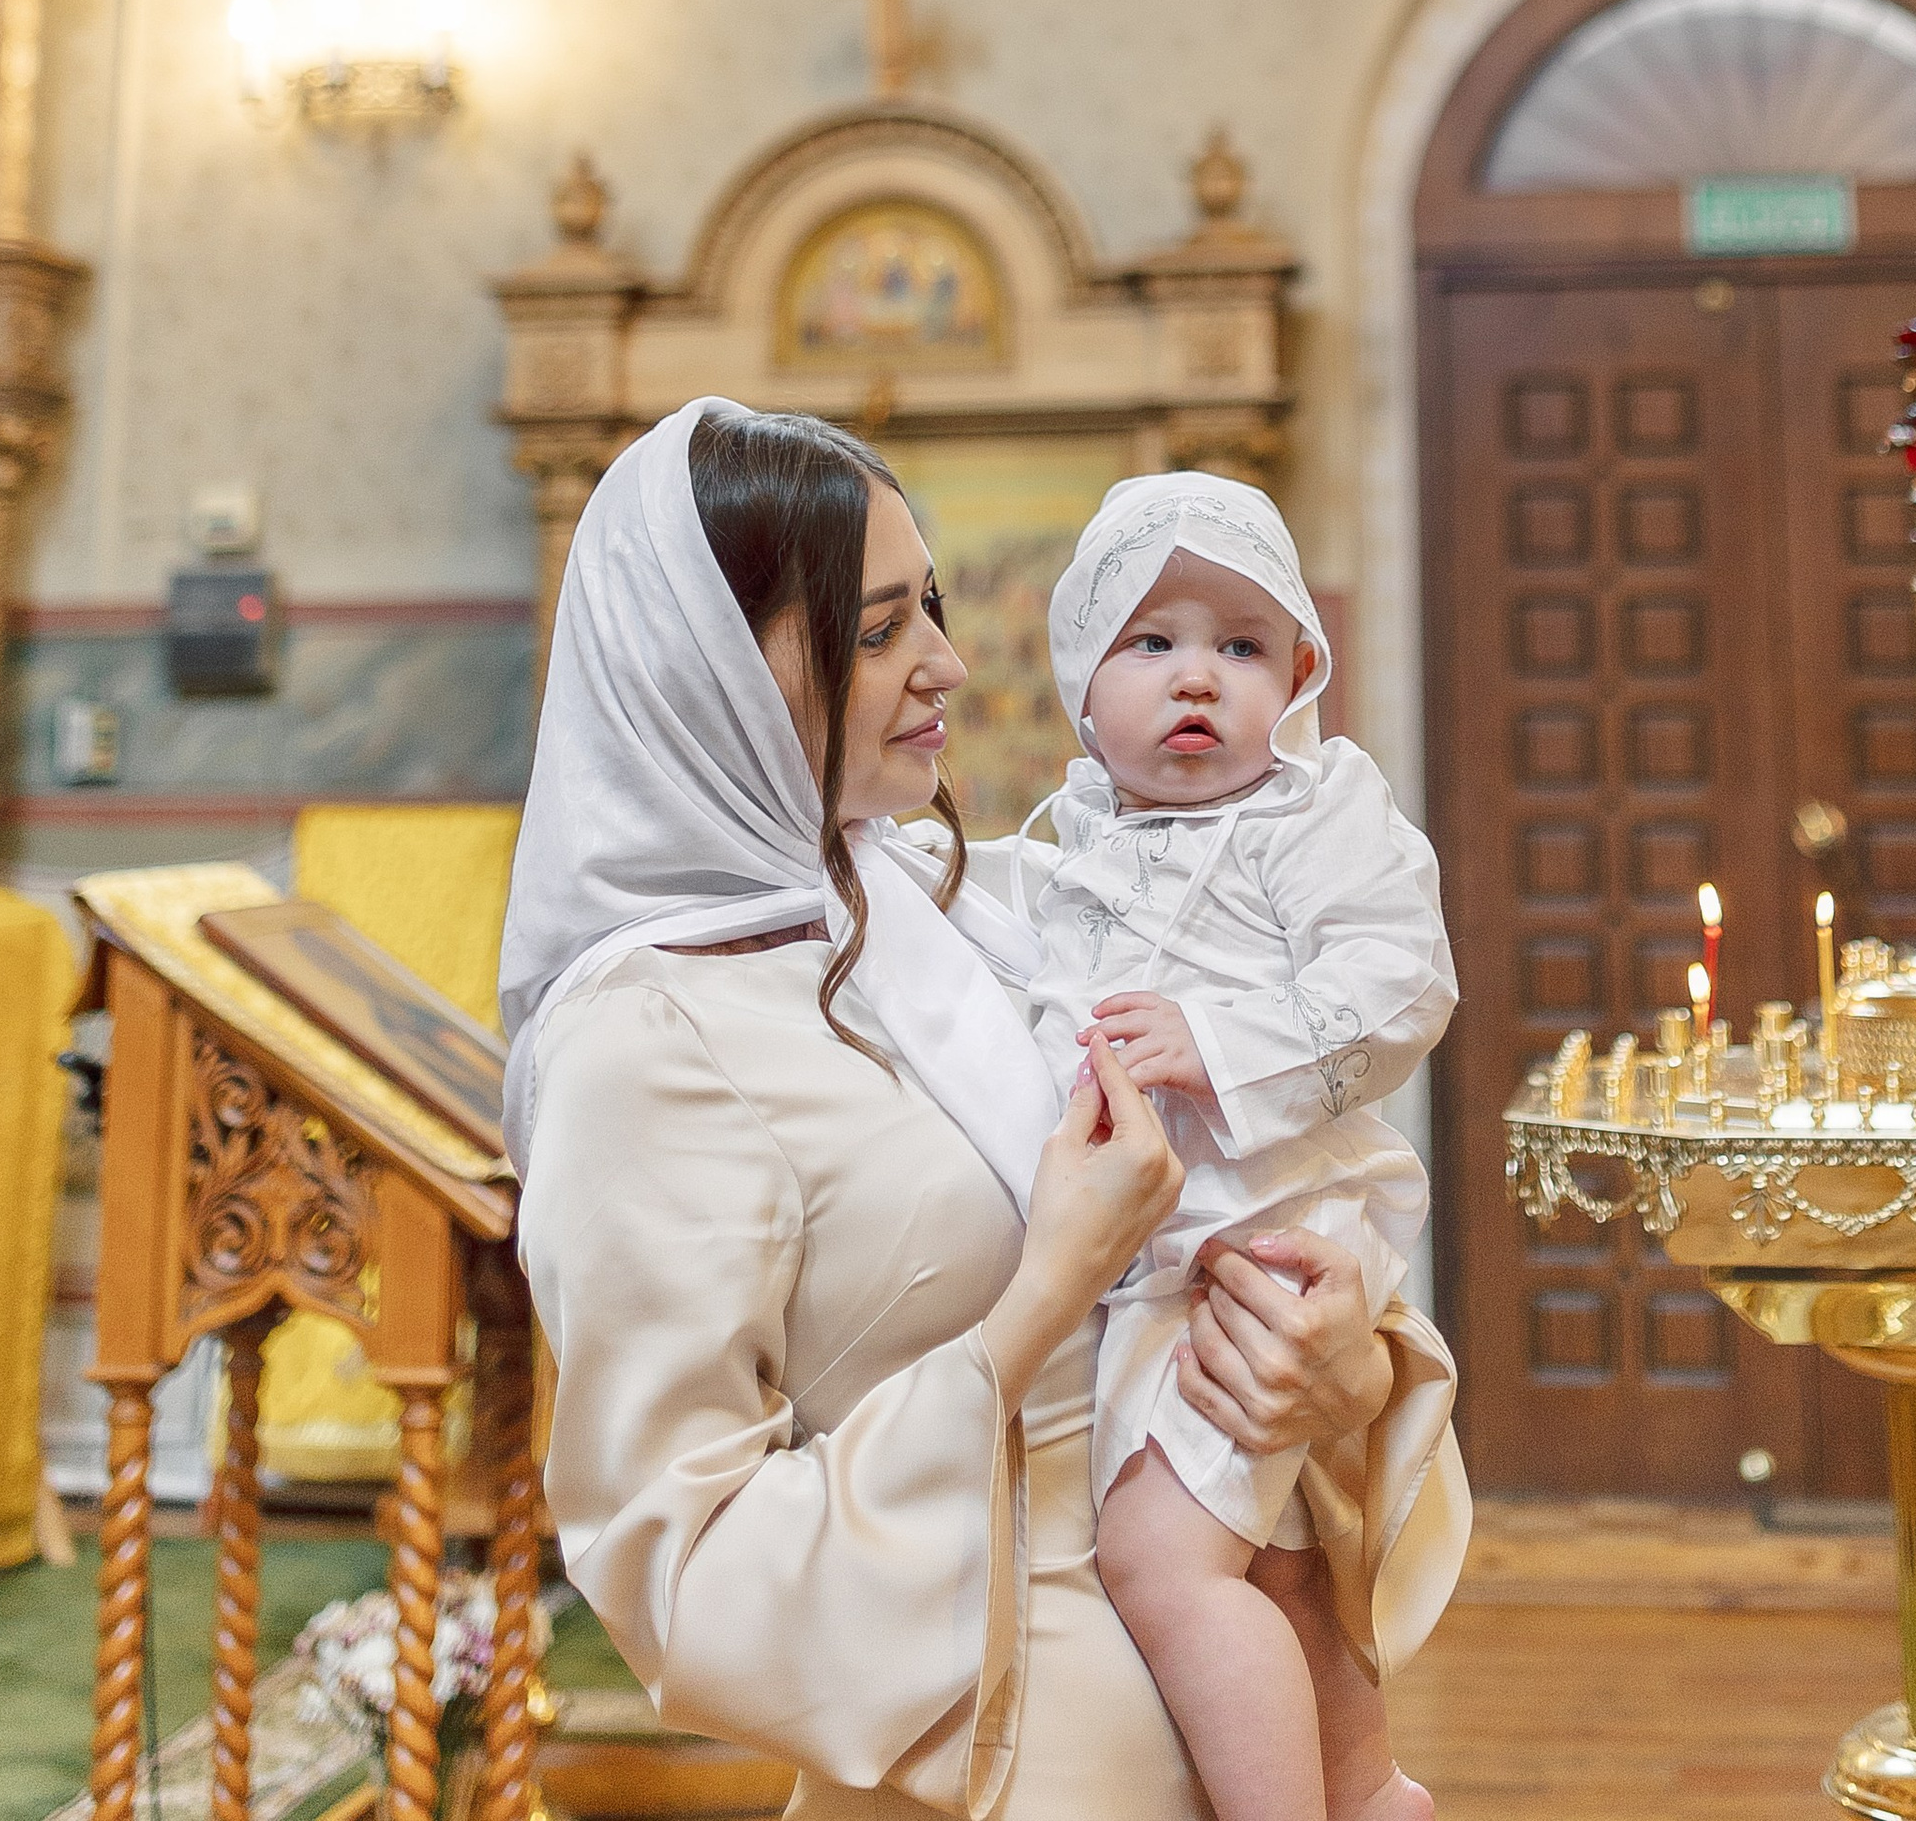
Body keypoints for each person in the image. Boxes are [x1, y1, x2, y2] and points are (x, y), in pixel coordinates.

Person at [500, 404, 1467, 1819]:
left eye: (933, 608)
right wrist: (1044, 1293)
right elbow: (686, 1581)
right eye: (881, 628)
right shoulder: (643, 1041)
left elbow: (1257, 1183)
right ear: (709, 667)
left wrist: (1345, 1369)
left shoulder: (974, 909)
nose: (949, 663)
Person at [1030, 476, 1453, 1821]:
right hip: (1165, 1240)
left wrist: (1220, 1045)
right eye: (1151, 644)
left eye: (1242, 645)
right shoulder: (1063, 848)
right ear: (1079, 683)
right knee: (1272, 1556)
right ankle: (1364, 1789)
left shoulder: (1314, 812)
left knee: (1162, 1561)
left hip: (1268, 1232)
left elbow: (1402, 986)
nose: (1197, 678)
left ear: (1300, 676)